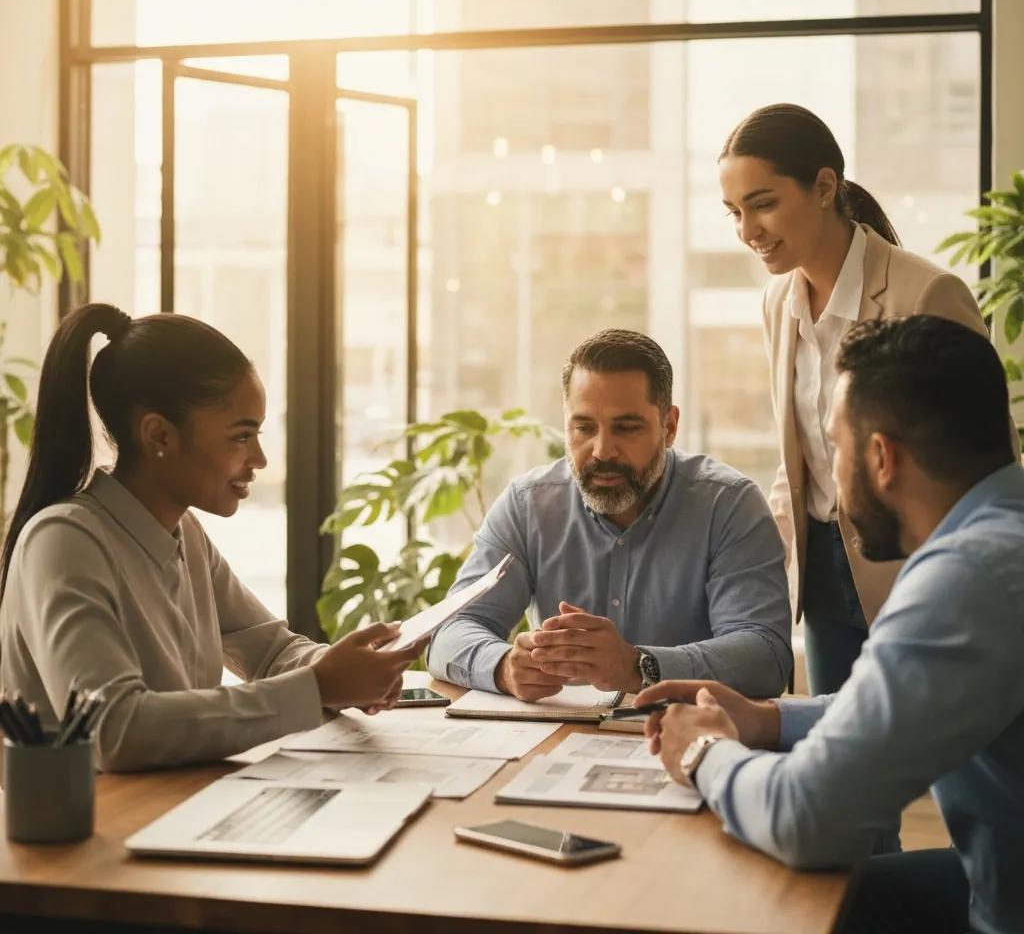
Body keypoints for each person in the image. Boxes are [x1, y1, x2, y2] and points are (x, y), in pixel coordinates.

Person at [635, 316, 1024, 934]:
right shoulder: (1004, 535)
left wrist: (705, 751)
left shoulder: (968, 577)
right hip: (997, 872)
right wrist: (766, 720)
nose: (830, 475)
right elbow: (901, 699)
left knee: (752, 896)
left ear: (881, 457)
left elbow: (807, 817)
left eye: (834, 446)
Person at [0, 303, 427, 772]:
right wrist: (319, 687)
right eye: (241, 437)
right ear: (159, 435)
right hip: (88, 832)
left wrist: (347, 671)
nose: (260, 459)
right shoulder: (63, 541)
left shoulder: (184, 533)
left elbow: (272, 650)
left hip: (173, 807)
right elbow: (116, 729)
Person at [718, 103, 1001, 696]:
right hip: (822, 575)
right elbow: (798, 458)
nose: (748, 231)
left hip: (914, 568)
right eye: (735, 212)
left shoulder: (926, 293)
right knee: (832, 750)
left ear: (824, 187)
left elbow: (987, 464)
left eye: (763, 203)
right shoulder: (778, 303)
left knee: (932, 760)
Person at [427, 329, 792, 701]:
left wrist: (639, 666)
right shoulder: (528, 505)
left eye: (626, 428)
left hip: (692, 739)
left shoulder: (728, 506)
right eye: (584, 427)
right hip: (559, 741)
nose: (602, 451)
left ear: (668, 427)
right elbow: (448, 632)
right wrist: (504, 667)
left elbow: (766, 657)